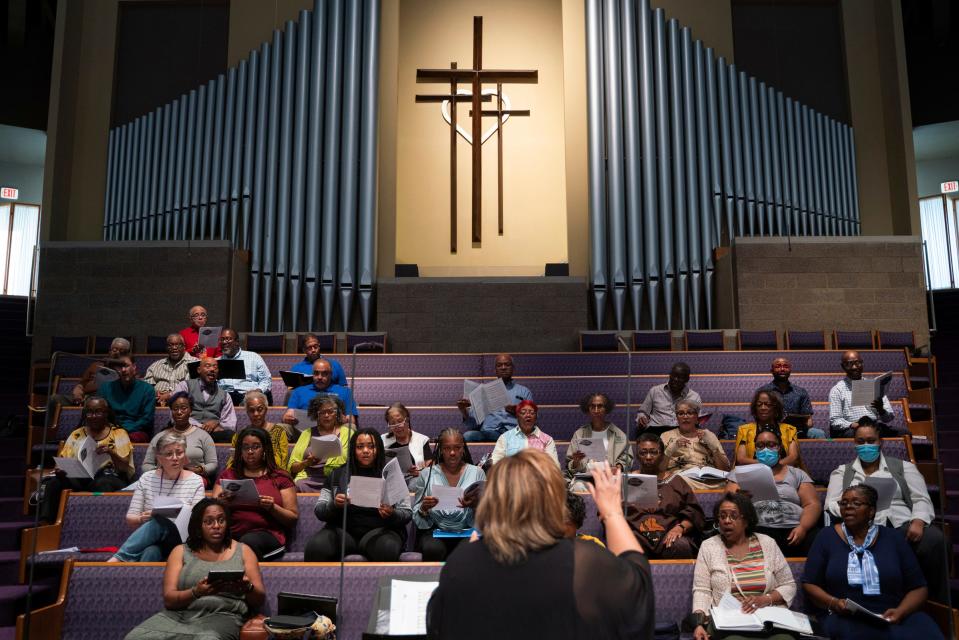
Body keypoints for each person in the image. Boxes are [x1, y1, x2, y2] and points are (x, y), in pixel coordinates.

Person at [426, 452, 654, 639]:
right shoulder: (584, 560)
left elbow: (438, 624)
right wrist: (612, 513)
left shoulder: (462, 560)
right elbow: (638, 599)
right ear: (554, 498)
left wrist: (473, 549)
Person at [802, 485, 944, 640]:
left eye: (856, 503)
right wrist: (834, 603)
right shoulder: (826, 536)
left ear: (871, 511)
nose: (848, 507)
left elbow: (918, 588)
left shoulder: (893, 538)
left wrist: (901, 612)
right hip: (844, 615)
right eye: (844, 503)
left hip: (892, 614)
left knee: (925, 631)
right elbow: (809, 583)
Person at [825, 422, 946, 602]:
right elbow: (831, 503)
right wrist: (853, 508)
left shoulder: (903, 467)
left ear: (881, 442)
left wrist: (918, 521)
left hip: (901, 523)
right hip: (860, 527)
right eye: (860, 441)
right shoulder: (842, 472)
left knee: (935, 540)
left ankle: (933, 602)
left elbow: (921, 498)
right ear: (854, 444)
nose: (866, 445)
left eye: (871, 440)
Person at [123, 498, 266, 640]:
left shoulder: (244, 551)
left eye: (221, 520)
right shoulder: (180, 551)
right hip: (179, 615)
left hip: (224, 615)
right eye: (208, 521)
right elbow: (169, 600)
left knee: (207, 638)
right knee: (135, 637)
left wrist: (248, 587)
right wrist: (195, 592)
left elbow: (259, 600)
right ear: (198, 526)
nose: (216, 526)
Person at [690, 492, 798, 640]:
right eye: (722, 516)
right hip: (728, 621)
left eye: (733, 516)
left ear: (746, 520)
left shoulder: (767, 543)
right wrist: (699, 624)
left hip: (766, 617)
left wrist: (765, 599)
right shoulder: (709, 547)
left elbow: (788, 585)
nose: (727, 521)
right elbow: (702, 590)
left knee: (785, 639)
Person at [305, 428, 413, 562]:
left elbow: (407, 512)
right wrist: (334, 505)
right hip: (343, 532)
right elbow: (319, 511)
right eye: (360, 447)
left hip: (380, 531)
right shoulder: (337, 474)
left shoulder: (391, 474)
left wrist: (392, 513)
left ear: (378, 449)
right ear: (353, 450)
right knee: (316, 548)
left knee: (387, 549)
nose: (366, 451)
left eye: (371, 446)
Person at [37, 396, 135, 524]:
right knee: (54, 483)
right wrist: (60, 470)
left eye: (98, 412)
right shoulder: (76, 434)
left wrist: (111, 453)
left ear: (106, 413)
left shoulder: (118, 433)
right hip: (80, 476)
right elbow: (62, 461)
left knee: (102, 483)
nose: (93, 416)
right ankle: (46, 524)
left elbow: (124, 468)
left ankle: (101, 525)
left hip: (110, 476)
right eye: (89, 412)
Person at [109, 432, 205, 562]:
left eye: (179, 452)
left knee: (159, 521)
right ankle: (141, 581)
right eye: (169, 454)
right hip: (152, 540)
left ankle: (117, 559)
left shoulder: (196, 480)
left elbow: (199, 520)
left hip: (183, 540)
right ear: (159, 458)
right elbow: (131, 518)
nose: (175, 458)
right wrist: (141, 518)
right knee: (151, 551)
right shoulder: (147, 478)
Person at [727, 429, 822, 556]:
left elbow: (812, 504)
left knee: (820, 538)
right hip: (757, 528)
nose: (766, 449)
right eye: (760, 446)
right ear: (755, 450)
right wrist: (741, 499)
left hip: (794, 528)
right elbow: (728, 503)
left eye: (771, 445)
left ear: (779, 448)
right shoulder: (739, 473)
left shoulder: (797, 473)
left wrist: (803, 528)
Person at [214, 426, 298, 561]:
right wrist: (221, 503)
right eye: (245, 447)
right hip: (232, 534)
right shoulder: (228, 475)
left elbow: (292, 518)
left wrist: (272, 508)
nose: (250, 451)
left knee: (246, 543)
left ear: (265, 449)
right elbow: (212, 508)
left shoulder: (280, 476)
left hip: (268, 535)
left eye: (256, 447)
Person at [412, 428, 486, 561]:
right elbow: (416, 513)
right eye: (447, 448)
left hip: (467, 530)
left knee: (474, 548)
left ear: (463, 449)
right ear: (441, 450)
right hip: (435, 531)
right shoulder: (426, 474)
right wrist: (424, 508)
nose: (452, 453)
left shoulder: (477, 473)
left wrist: (476, 505)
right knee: (433, 549)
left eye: (457, 448)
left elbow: (488, 513)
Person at [627, 432, 704, 559]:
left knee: (681, 546)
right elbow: (609, 512)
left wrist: (680, 528)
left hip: (668, 534)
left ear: (662, 455)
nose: (648, 457)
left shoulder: (676, 481)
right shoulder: (626, 481)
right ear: (637, 455)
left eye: (653, 452)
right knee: (627, 547)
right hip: (636, 535)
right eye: (643, 453)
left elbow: (694, 512)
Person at [141, 391, 217, 485]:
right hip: (163, 479)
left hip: (193, 478)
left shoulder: (203, 436)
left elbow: (213, 464)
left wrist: (198, 470)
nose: (179, 412)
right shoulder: (160, 436)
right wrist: (161, 471)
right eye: (175, 409)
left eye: (183, 408)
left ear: (191, 410)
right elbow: (146, 465)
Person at [459, 354, 533, 442]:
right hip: (488, 432)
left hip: (513, 432)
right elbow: (473, 425)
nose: (503, 367)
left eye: (507, 364)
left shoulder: (524, 391)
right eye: (499, 365)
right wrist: (464, 411)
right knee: (468, 435)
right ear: (495, 370)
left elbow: (533, 419)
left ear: (513, 368)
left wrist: (518, 411)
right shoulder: (483, 391)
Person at [566, 393, 632, 490]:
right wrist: (576, 462)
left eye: (600, 406)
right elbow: (571, 463)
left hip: (609, 477)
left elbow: (627, 457)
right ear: (588, 409)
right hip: (585, 477)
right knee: (578, 487)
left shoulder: (618, 434)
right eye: (593, 406)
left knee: (618, 487)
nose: (596, 410)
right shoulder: (579, 434)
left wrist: (618, 467)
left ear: (606, 409)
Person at [829, 350, 902, 437]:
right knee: (864, 435)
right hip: (853, 428)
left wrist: (881, 410)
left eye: (857, 363)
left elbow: (889, 418)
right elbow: (835, 421)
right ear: (843, 366)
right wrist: (851, 425)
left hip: (873, 425)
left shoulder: (875, 386)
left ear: (862, 363)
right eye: (849, 364)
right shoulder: (837, 390)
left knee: (904, 433)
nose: (854, 367)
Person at [662, 399, 731, 490]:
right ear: (676, 417)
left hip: (710, 479)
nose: (685, 417)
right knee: (679, 482)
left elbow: (725, 469)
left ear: (696, 417)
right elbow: (659, 469)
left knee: (732, 483)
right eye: (681, 413)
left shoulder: (709, 435)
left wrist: (714, 448)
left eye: (690, 413)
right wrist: (669, 450)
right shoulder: (666, 436)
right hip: (682, 479)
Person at [288, 395, 353, 491]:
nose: (326, 415)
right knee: (297, 485)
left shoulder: (348, 433)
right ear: (316, 415)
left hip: (336, 478)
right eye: (322, 412)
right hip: (309, 478)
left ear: (337, 414)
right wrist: (306, 463)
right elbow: (293, 467)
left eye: (330, 412)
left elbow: (354, 463)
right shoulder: (307, 433)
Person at [172, 356, 237, 443]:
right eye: (207, 366)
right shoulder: (185, 386)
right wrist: (200, 426)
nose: (212, 369)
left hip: (212, 434)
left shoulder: (225, 395)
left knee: (231, 435)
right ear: (199, 370)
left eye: (215, 367)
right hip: (187, 429)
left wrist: (217, 423)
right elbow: (176, 412)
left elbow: (230, 424)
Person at [51, 338, 132, 407]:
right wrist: (78, 391)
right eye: (114, 349)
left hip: (105, 400)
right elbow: (81, 384)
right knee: (55, 399)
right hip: (85, 397)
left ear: (127, 354)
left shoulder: (127, 369)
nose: (117, 352)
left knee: (96, 403)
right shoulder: (96, 364)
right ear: (109, 351)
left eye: (121, 351)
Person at [756, 357, 825, 438]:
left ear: (790, 370)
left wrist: (802, 427)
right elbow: (758, 417)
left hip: (797, 430)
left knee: (818, 433)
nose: (782, 369)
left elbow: (808, 420)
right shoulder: (763, 392)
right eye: (778, 366)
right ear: (771, 370)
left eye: (786, 366)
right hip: (771, 429)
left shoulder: (801, 392)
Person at [734, 390, 801, 468]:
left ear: (776, 408)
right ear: (755, 408)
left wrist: (775, 467)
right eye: (759, 404)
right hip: (753, 472)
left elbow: (793, 457)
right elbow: (741, 459)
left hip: (783, 471)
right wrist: (766, 466)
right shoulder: (744, 430)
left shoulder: (789, 430)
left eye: (768, 404)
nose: (763, 408)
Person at [98, 354, 156, 443]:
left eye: (126, 366)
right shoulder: (106, 388)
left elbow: (146, 419)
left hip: (136, 431)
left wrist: (124, 430)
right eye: (120, 367)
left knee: (121, 441)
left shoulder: (147, 389)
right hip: (110, 430)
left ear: (134, 367)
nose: (123, 370)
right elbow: (100, 413)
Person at [283, 358, 358, 427]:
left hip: (335, 431)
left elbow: (352, 420)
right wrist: (287, 418)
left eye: (324, 373)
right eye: (316, 373)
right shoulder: (298, 391)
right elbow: (289, 413)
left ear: (331, 375)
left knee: (350, 427)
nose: (319, 377)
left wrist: (344, 419)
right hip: (304, 431)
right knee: (281, 427)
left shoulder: (345, 392)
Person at [225, 390, 289, 469]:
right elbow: (231, 462)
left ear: (266, 409)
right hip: (244, 475)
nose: (256, 414)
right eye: (252, 410)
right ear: (247, 412)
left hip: (270, 475)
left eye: (260, 409)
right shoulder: (240, 435)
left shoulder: (279, 432)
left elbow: (281, 464)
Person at [636, 362, 703, 437]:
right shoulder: (655, 391)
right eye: (673, 376)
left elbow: (698, 419)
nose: (675, 379)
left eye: (680, 377)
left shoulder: (694, 396)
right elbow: (643, 412)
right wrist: (641, 418)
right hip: (657, 431)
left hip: (682, 432)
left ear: (686, 379)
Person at [491, 400, 560, 468]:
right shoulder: (505, 438)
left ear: (536, 417)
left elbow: (554, 467)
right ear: (517, 417)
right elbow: (495, 463)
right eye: (523, 413)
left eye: (532, 413)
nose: (528, 415)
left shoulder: (547, 440)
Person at [216, 328, 274, 406]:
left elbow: (266, 381)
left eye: (228, 339)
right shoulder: (216, 362)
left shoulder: (253, 357)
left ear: (237, 342)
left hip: (248, 394)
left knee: (256, 398)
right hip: (225, 396)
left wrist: (258, 391)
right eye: (222, 339)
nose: (224, 342)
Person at [382, 402, 432, 488]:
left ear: (407, 420)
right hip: (390, 482)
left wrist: (419, 472)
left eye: (400, 421)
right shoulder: (382, 440)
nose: (397, 426)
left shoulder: (421, 439)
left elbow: (431, 468)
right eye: (393, 423)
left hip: (416, 481)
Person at [142, 333, 198, 406]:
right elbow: (146, 387)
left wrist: (170, 395)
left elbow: (191, 387)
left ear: (184, 347)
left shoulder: (194, 363)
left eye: (178, 345)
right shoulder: (155, 366)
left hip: (184, 403)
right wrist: (155, 392)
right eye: (170, 345)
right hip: (157, 402)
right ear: (166, 348)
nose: (174, 348)